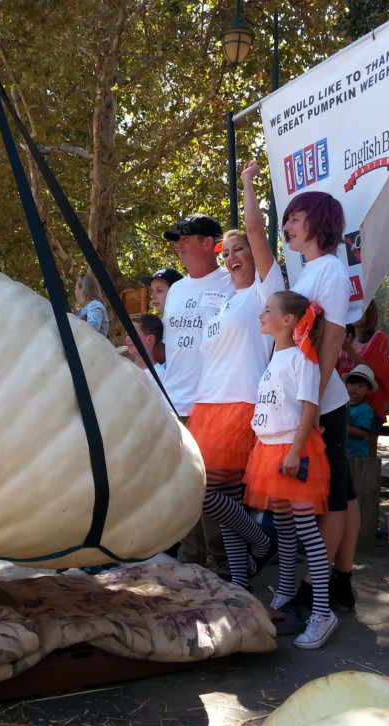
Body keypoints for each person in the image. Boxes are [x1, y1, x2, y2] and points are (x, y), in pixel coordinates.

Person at [187, 164, 284, 590]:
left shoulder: (267, 290)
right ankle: (240, 578)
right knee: (221, 498)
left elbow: (257, 230)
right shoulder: (226, 301)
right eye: (226, 253)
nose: (231, 257)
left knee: (208, 492)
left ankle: (262, 543)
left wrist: (246, 182)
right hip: (207, 405)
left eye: (238, 249)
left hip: (240, 401)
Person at [271, 186, 357, 622]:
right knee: (341, 492)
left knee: (331, 498)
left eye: (295, 218)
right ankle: (339, 581)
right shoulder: (308, 272)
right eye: (287, 218)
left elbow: (334, 337)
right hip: (307, 399)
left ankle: (313, 589)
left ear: (319, 222)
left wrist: (313, 400)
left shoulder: (331, 271)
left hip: (323, 402)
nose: (287, 226)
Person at [246, 290, 335, 649]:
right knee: (283, 525)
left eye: (268, 310)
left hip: (292, 451)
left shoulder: (303, 357)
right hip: (269, 450)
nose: (261, 314)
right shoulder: (277, 356)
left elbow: (309, 407)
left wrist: (296, 451)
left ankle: (322, 612)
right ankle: (284, 592)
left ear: (287, 320)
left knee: (306, 531)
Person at [161, 213, 236, 569]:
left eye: (186, 238)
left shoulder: (232, 282)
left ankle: (224, 564)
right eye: (177, 239)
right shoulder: (176, 290)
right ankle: (190, 561)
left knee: (213, 490)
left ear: (209, 243)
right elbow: (171, 347)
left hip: (213, 401)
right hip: (173, 402)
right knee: (182, 486)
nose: (179, 245)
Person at [336, 300, 389, 456]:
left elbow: (370, 372)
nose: (356, 313)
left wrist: (348, 349)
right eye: (352, 309)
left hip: (368, 405)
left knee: (367, 455)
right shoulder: (344, 337)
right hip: (343, 402)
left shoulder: (379, 337)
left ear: (371, 313)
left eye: (361, 309)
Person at [138, 267, 182, 365]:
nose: (152, 296)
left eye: (159, 290)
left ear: (177, 292)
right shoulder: (164, 322)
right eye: (152, 291)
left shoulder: (184, 324)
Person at [342, 365, 378, 459]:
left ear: (368, 390)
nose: (355, 388)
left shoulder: (365, 410)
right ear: (346, 385)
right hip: (343, 452)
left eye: (360, 385)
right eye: (352, 384)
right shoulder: (341, 405)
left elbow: (362, 433)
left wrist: (341, 427)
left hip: (357, 456)